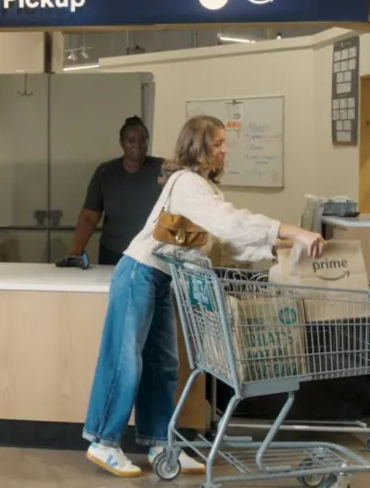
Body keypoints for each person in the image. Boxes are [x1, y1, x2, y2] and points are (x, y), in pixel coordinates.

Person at [82, 114, 326, 478]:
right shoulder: (186, 183)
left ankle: (161, 443)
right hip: (139, 273)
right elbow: (231, 222)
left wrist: (278, 247)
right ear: (199, 148)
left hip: (162, 280)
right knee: (125, 359)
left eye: (225, 143)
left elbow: (225, 242)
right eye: (218, 143)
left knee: (163, 366)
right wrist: (293, 231)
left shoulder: (206, 190)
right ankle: (103, 441)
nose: (225, 150)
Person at [62, 116, 162, 267]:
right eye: (131, 140)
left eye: (143, 140)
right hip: (113, 254)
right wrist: (75, 252)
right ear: (122, 143)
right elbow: (89, 216)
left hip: (150, 255)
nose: (138, 145)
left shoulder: (161, 169)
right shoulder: (105, 173)